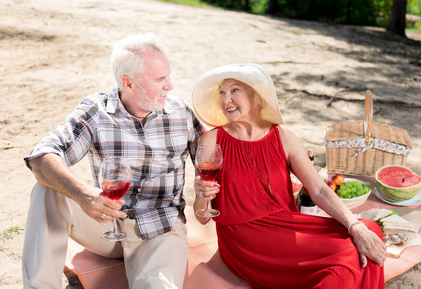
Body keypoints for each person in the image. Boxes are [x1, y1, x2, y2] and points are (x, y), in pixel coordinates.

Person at [22, 33, 206, 289]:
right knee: (46, 188)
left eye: (168, 76)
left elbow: (213, 160)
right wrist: (85, 195)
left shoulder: (181, 112)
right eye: (160, 79)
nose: (170, 86)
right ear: (128, 84)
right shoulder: (96, 111)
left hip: (160, 229)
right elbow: (41, 157)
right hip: (106, 226)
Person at [191, 63, 386, 288]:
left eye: (235, 90)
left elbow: (320, 189)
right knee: (344, 260)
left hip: (286, 225)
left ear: (256, 96)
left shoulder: (284, 137)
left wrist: (355, 225)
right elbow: (203, 217)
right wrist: (202, 195)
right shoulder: (212, 141)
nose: (226, 100)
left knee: (369, 230)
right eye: (222, 93)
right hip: (244, 240)